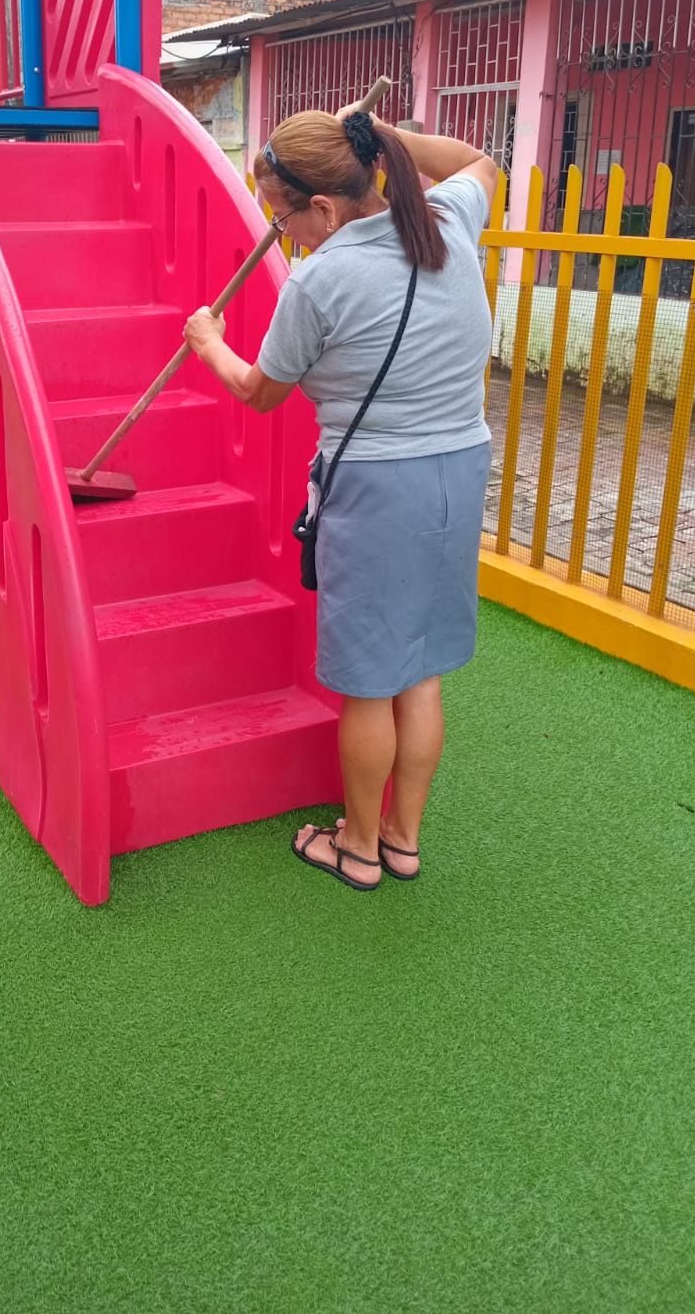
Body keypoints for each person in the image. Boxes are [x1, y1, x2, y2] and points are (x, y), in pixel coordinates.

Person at [182, 105, 498, 891]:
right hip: (460, 472)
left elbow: (260, 392)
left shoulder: (320, 280)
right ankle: (402, 839)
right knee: (420, 674)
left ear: (322, 208)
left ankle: (356, 847)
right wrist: (385, 132)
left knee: (368, 683)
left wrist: (208, 343)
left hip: (378, 489)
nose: (281, 231)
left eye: (282, 216)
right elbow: (479, 162)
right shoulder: (448, 224)